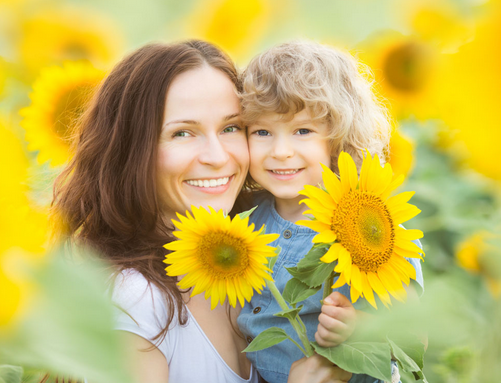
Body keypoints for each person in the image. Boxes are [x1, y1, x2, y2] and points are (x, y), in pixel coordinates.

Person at [52, 40, 351, 383]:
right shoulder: (138, 300)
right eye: (182, 133)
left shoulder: (265, 258)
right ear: (132, 151)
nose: (217, 156)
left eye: (230, 128)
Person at [237, 40, 425, 383]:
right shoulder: (246, 215)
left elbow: (414, 335)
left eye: (302, 131)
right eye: (262, 131)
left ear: (338, 138)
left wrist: (359, 328)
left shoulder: (370, 226)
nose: (280, 151)